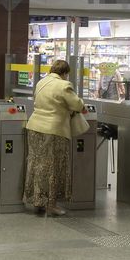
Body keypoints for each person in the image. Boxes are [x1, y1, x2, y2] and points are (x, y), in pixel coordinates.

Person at [23, 60, 85, 216]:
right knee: (54, 167)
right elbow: (78, 105)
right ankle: (52, 205)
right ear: (65, 73)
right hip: (54, 131)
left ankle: (38, 201)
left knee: (37, 165)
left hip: (34, 128)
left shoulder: (41, 83)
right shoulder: (64, 85)